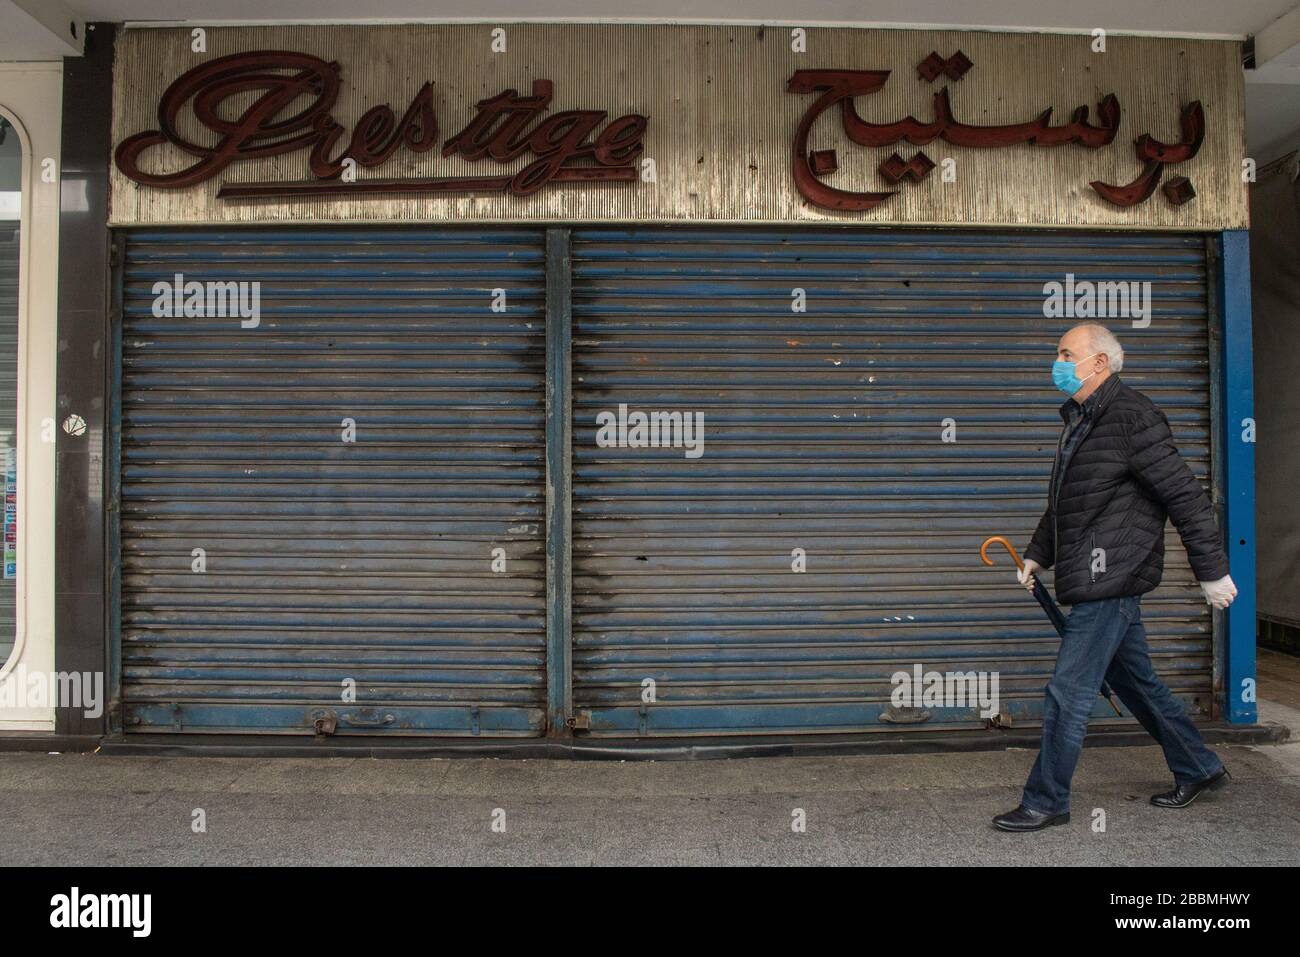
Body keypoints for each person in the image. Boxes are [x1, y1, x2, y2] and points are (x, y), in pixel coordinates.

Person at [992, 322, 1238, 833]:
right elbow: (1067, 504)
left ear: (1099, 362)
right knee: (1137, 684)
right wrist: (1037, 555)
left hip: (1112, 578)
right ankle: (1198, 765)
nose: (1056, 363)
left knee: (1068, 690)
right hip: (1096, 577)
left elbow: (1185, 497)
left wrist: (1211, 572)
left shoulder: (1132, 416)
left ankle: (1046, 800)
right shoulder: (1081, 419)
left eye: (1066, 353)